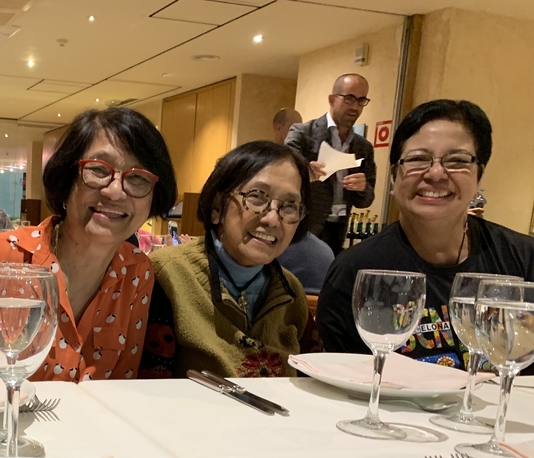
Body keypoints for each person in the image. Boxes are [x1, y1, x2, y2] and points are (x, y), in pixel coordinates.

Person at [0, 107, 177, 381]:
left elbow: (119, 390)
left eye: (138, 178)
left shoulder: (137, 272)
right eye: (98, 170)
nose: (115, 191)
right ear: (66, 181)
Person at [316, 99, 534, 368]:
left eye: (457, 161)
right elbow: (345, 383)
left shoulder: (523, 261)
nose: (436, 173)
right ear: (394, 178)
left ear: (479, 178)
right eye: (418, 159)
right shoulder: (355, 272)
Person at [140, 141, 318, 379]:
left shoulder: (290, 290)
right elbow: (148, 390)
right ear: (217, 206)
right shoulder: (167, 276)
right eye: (257, 197)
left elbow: (315, 379)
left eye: (289, 206)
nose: (273, 219)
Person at [285, 74, 376, 254]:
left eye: (361, 100)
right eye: (349, 98)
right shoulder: (302, 133)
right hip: (303, 226)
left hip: (338, 229)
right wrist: (305, 172)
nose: (355, 106)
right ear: (332, 99)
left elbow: (366, 200)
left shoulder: (363, 147)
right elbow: (282, 174)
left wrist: (362, 187)